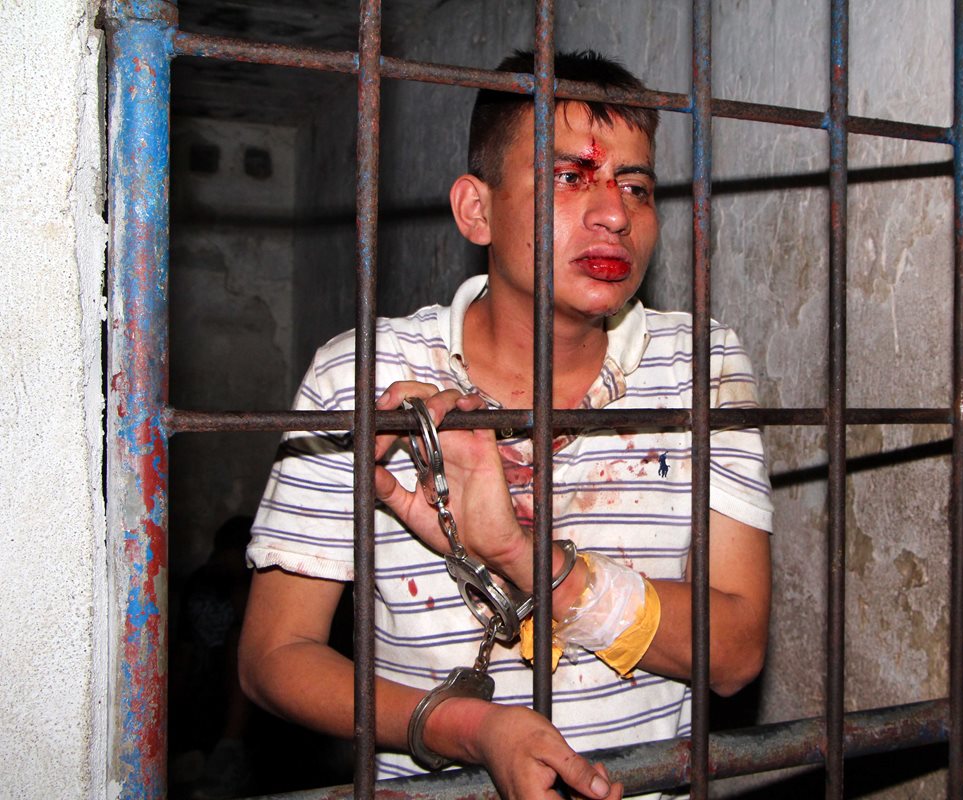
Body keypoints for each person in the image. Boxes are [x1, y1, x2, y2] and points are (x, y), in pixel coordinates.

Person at [239, 49, 773, 799]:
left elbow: (737, 651)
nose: (615, 213)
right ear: (476, 210)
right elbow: (274, 655)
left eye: (636, 186)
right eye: (569, 176)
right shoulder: (362, 376)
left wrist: (518, 554)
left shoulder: (699, 365)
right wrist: (469, 729)